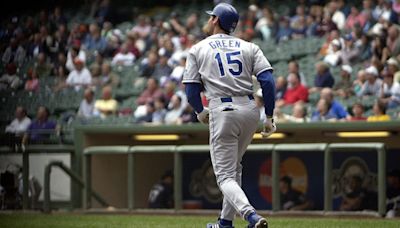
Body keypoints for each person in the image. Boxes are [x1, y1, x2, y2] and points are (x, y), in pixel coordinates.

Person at [183, 3, 275, 228]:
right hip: (250, 110)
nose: (209, 20)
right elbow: (268, 82)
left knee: (224, 176)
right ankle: (225, 223)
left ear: (215, 20)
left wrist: (199, 110)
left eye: (211, 17)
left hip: (223, 110)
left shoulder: (198, 48)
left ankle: (250, 216)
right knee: (235, 169)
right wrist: (269, 116)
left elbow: (191, 90)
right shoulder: (249, 46)